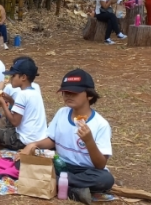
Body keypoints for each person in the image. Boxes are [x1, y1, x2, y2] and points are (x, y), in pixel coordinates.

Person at [19, 69, 114, 205]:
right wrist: (33, 145)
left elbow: (100, 165)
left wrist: (89, 141)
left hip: (86, 170)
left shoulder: (100, 124)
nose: (68, 96)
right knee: (20, 163)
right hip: (60, 164)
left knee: (106, 179)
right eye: (65, 92)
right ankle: (72, 190)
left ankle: (57, 182)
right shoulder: (62, 113)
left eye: (74, 93)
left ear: (89, 95)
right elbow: (52, 140)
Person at [0, 57, 47, 151]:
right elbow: (23, 111)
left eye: (13, 76)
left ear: (23, 77)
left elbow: (15, 122)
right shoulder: (34, 92)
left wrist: (3, 104)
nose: (11, 79)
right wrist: (10, 100)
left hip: (23, 141)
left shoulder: (22, 94)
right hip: (39, 138)